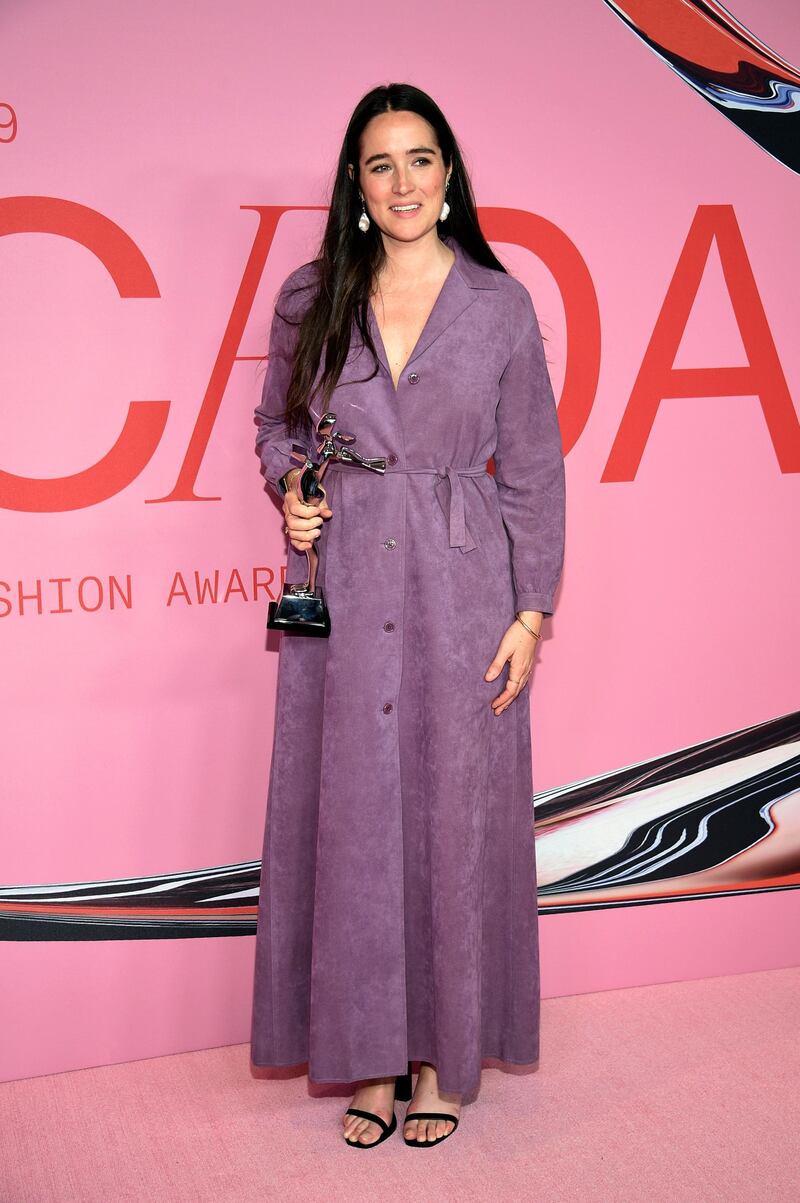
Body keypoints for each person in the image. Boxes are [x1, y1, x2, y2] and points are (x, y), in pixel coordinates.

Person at [250, 82, 566, 1149]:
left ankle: (436, 1053)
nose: (402, 182)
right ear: (354, 182)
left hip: (460, 582)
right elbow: (275, 426)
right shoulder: (309, 298)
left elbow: (531, 471)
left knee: (448, 819)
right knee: (351, 822)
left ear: (447, 175)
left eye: (420, 159)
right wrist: (292, 485)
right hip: (343, 582)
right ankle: (369, 1057)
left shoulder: (499, 303)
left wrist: (531, 615)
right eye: (379, 163)